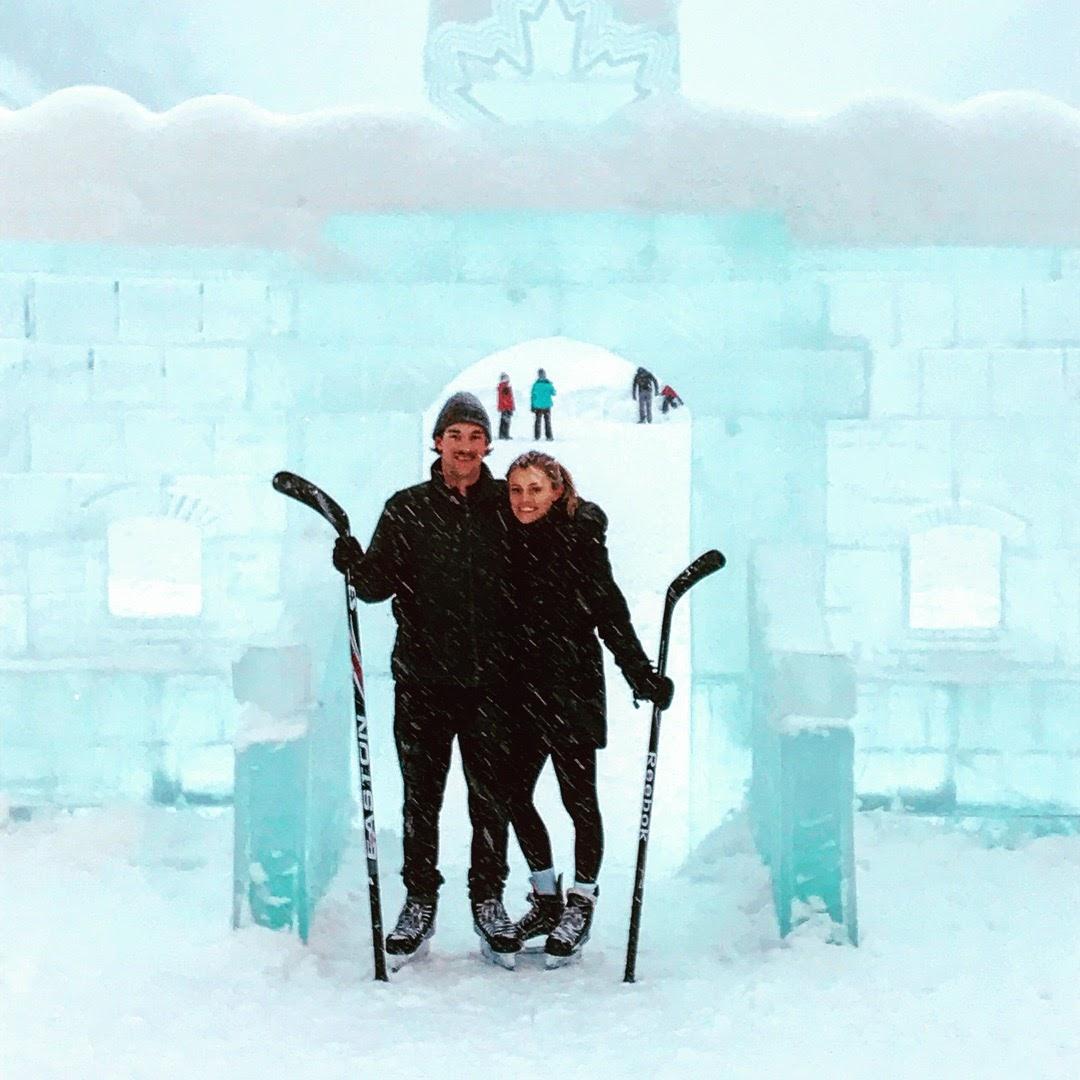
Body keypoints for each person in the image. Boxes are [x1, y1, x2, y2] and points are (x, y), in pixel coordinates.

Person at [331, 391, 521, 967]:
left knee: (491, 800)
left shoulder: (506, 505)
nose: (465, 447)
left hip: (495, 681)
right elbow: (375, 585)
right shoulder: (407, 507)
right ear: (437, 442)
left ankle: (489, 900)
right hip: (423, 679)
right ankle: (419, 900)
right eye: (454, 436)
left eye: (474, 436)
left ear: (489, 444)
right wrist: (354, 562)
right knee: (422, 798)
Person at [498, 451, 673, 966]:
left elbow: (609, 612)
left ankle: (582, 900)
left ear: (557, 491)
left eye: (535, 489)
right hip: (519, 687)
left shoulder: (580, 542)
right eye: (516, 490)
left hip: (571, 684)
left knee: (579, 799)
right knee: (512, 794)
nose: (525, 500)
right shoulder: (500, 538)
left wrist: (638, 672)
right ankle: (547, 897)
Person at [530, 367, 556, 441]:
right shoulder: (548, 384)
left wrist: (532, 405)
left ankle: (537, 436)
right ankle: (549, 436)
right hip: (547, 406)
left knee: (537, 422)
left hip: (537, 406)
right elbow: (554, 393)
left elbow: (532, 396)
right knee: (547, 422)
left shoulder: (535, 385)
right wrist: (550, 384)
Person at [496, 372, 515, 439]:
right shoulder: (505, 387)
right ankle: (505, 435)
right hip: (506, 407)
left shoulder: (501, 387)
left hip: (503, 407)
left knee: (503, 421)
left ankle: (502, 434)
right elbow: (508, 399)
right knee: (506, 422)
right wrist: (510, 407)